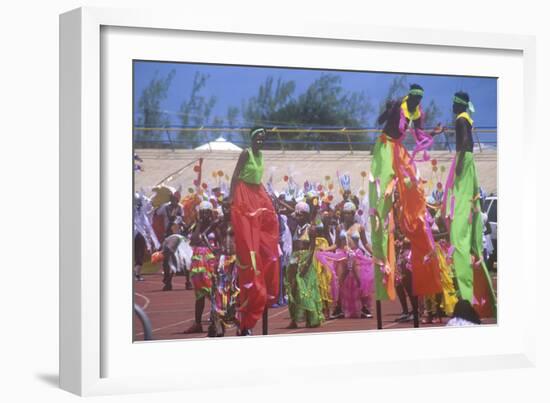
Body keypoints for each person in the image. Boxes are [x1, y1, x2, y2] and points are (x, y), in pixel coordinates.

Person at [370, 84, 444, 304]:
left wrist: (433, 133)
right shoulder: (399, 106)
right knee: (383, 194)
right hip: (385, 147)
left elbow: (419, 134)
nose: (414, 103)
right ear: (409, 96)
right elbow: (380, 121)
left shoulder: (418, 111)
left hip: (399, 149)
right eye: (412, 99)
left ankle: (418, 229)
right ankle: (383, 265)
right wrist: (388, 108)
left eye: (417, 100)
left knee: (415, 186)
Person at [442, 92, 497, 318]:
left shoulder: (461, 119)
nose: (452, 105)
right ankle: (480, 300)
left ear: (460, 104)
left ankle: (466, 298)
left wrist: (460, 167)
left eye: (454, 102)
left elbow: (464, 142)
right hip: (468, 163)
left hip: (465, 162)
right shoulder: (464, 118)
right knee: (466, 228)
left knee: (459, 233)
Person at [229, 127, 280, 336]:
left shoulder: (262, 156)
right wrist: (231, 200)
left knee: (270, 246)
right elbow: (234, 177)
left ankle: (267, 292)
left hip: (257, 194)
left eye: (263, 138)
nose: (261, 140)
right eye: (258, 137)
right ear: (252, 139)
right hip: (243, 194)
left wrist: (270, 199)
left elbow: (258, 181)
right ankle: (245, 319)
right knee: (249, 254)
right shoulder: (246, 153)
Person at [284, 202, 324, 329]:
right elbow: (290, 213)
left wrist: (307, 263)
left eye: (301, 215)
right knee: (293, 288)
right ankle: (294, 319)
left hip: (305, 259)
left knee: (306, 289)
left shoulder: (311, 228)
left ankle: (310, 318)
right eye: (297, 215)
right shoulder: (294, 227)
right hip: (294, 259)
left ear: (306, 216)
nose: (298, 217)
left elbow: (312, 247)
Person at [183, 201, 220, 334]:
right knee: (199, 294)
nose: (204, 215)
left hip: (210, 261)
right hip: (198, 261)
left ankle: (216, 321)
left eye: (206, 212)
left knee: (212, 292)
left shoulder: (215, 226)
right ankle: (198, 323)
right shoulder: (196, 226)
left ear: (210, 213)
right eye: (202, 212)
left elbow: (220, 241)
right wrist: (199, 223)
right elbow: (193, 240)